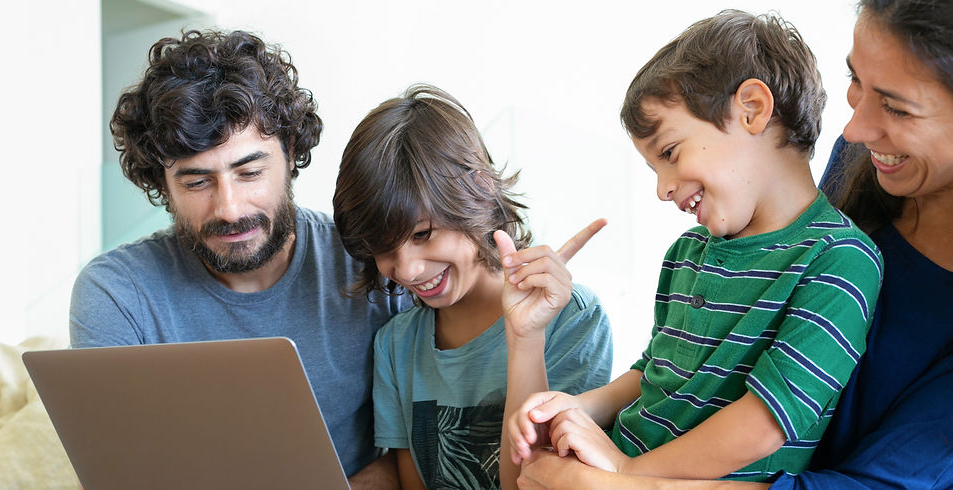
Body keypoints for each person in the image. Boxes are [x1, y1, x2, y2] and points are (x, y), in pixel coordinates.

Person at [506, 10, 884, 484]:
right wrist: (579, 407)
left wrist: (627, 474)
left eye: (669, 153)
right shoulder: (686, 253)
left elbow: (766, 424)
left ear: (752, 109)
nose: (662, 189)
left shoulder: (840, 259)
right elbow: (653, 370)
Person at [69, 30, 411, 488]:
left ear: (291, 154)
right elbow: (116, 470)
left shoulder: (371, 262)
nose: (229, 209)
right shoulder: (117, 294)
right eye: (196, 183)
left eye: (249, 172)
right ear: (161, 185)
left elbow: (418, 454)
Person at [332, 84, 614, 490]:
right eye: (382, 247)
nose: (407, 270)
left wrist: (525, 338)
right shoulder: (396, 343)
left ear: (479, 190)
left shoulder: (573, 317)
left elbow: (539, 480)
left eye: (422, 234)